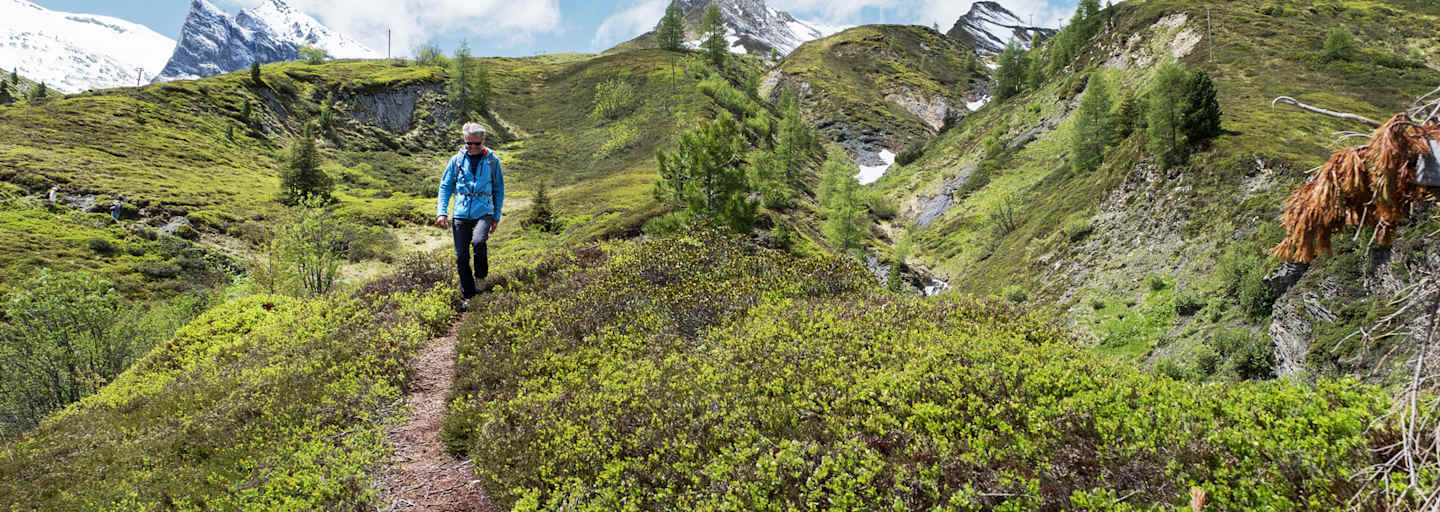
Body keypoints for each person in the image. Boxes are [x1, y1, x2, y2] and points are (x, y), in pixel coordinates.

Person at [437, 123, 504, 309]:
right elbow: (445, 186)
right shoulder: (456, 160)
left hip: (484, 211)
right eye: (469, 143)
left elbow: (498, 189)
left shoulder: (492, 161)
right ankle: (469, 295)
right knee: (461, 256)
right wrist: (442, 211)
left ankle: (481, 279)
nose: (472, 147)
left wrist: (496, 216)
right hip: (460, 213)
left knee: (479, 242)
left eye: (476, 144)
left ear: (483, 141)